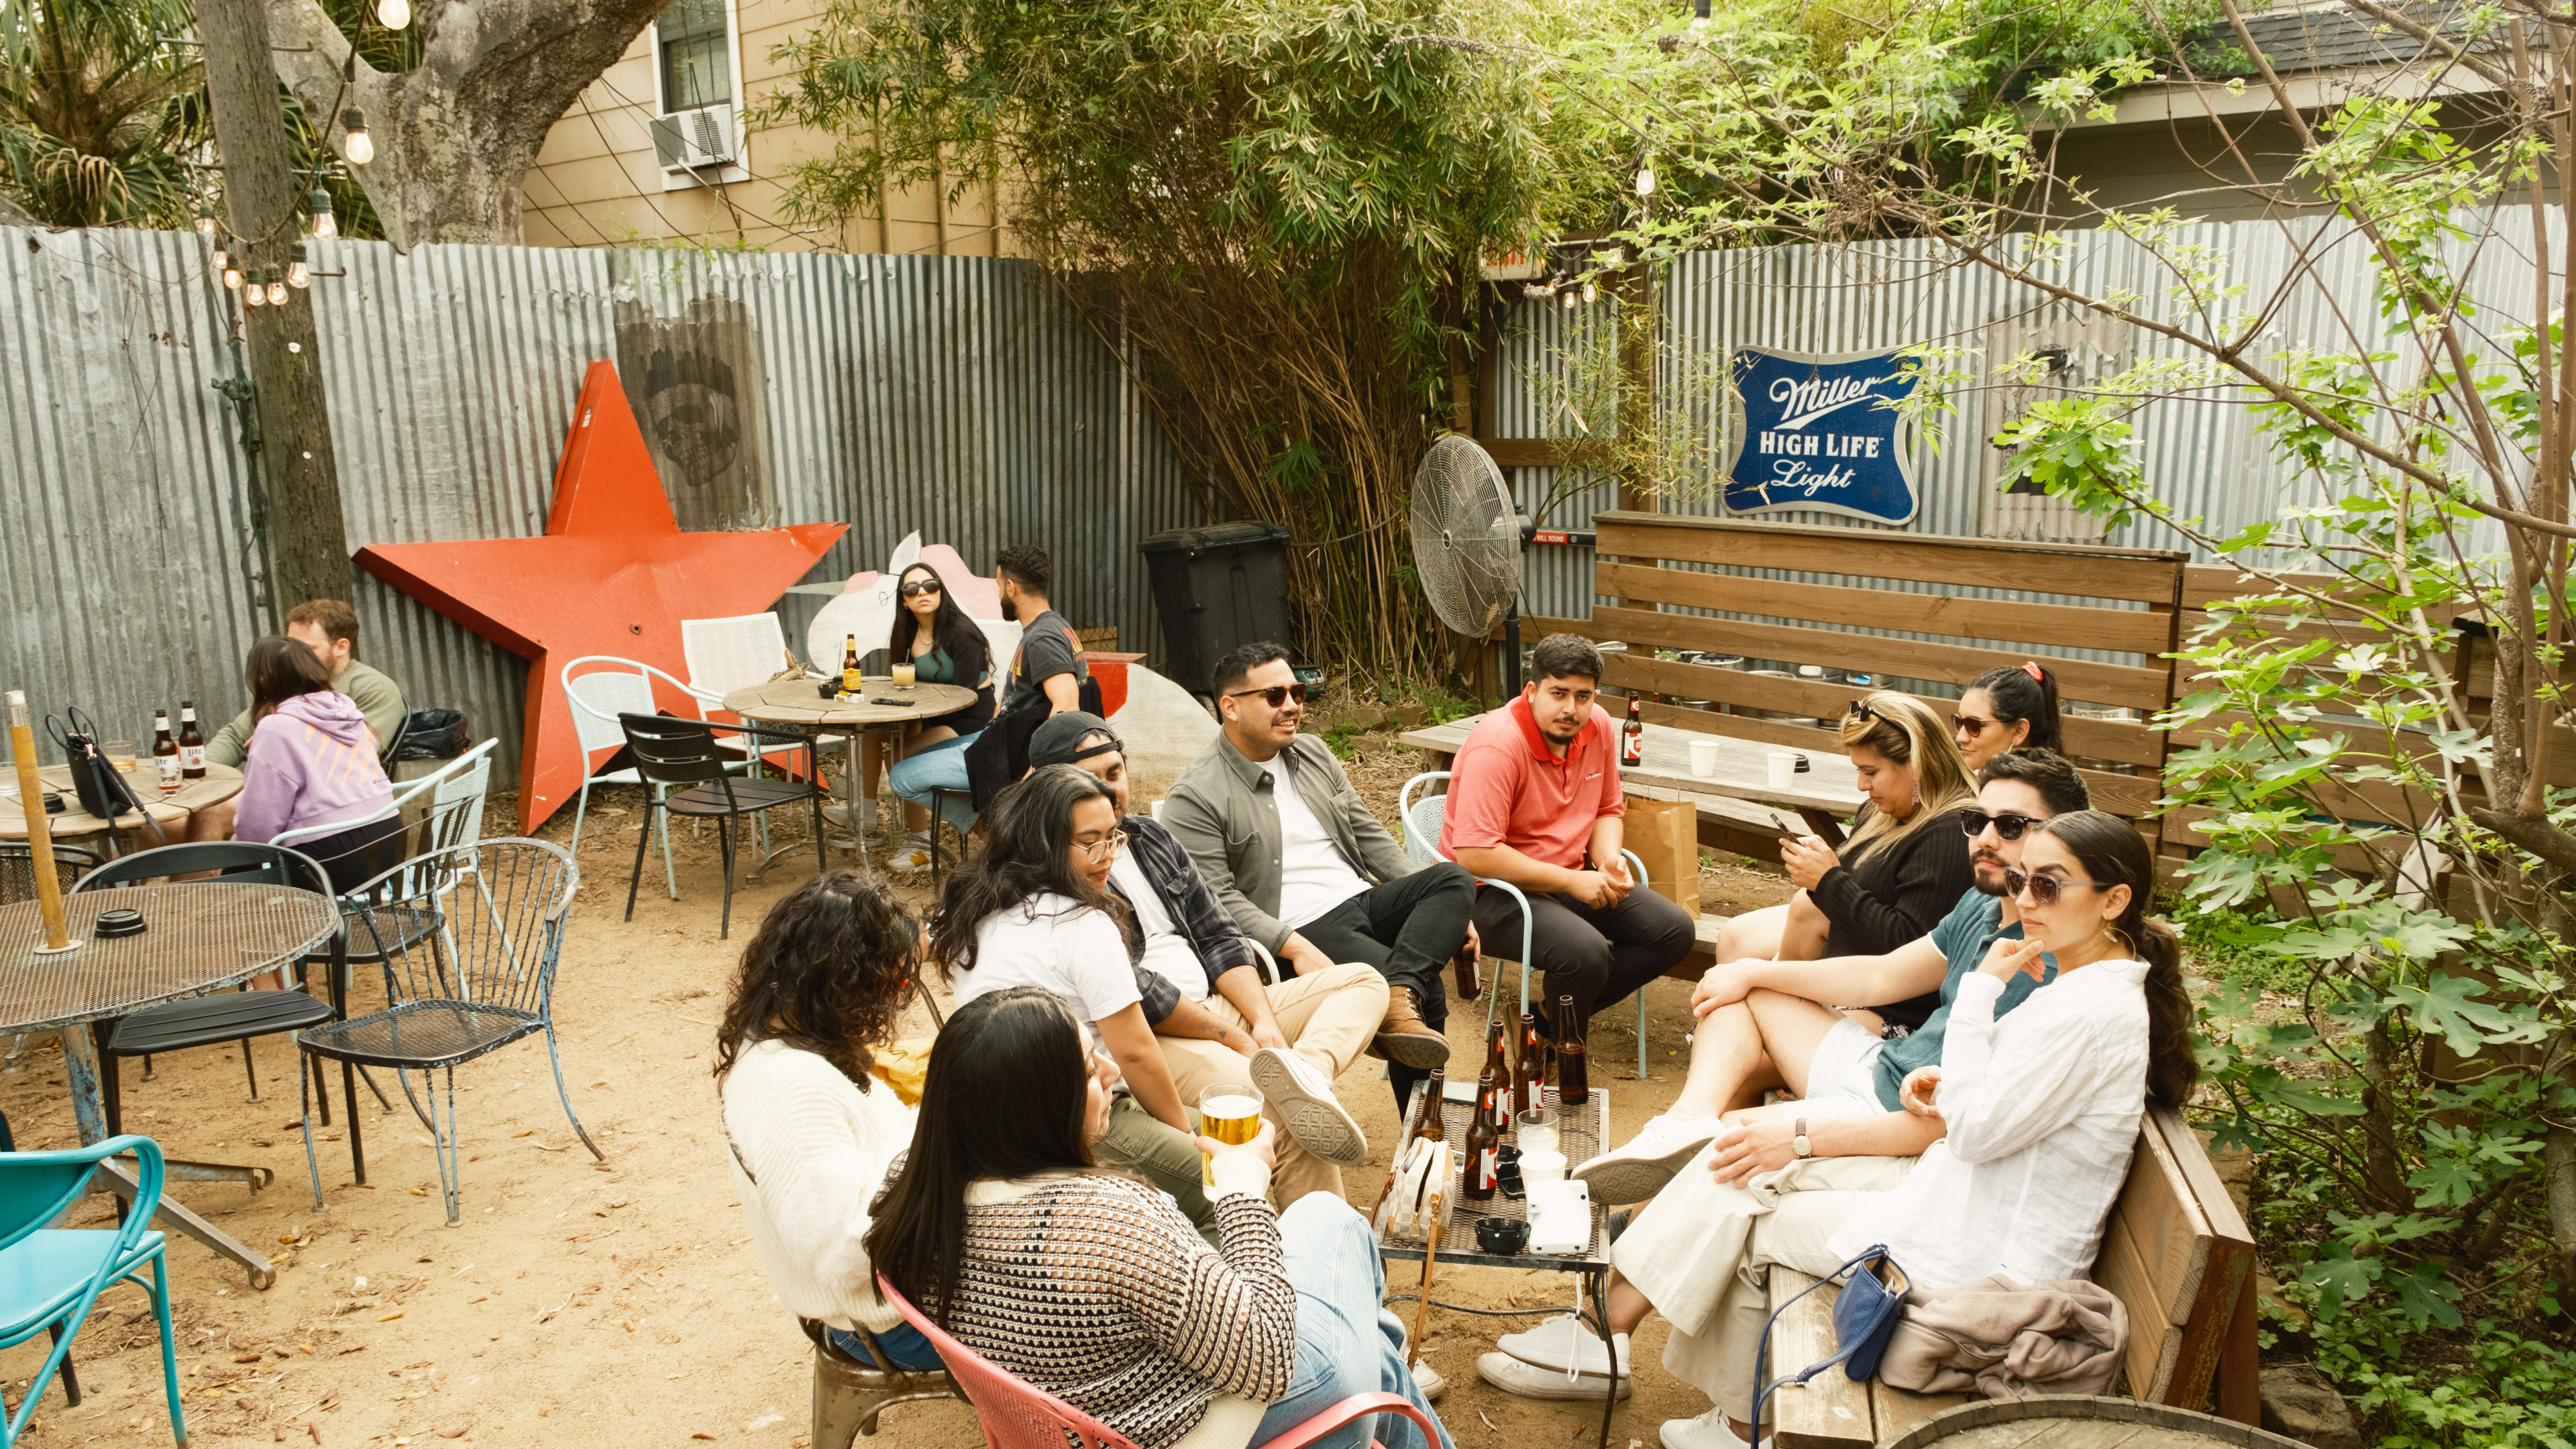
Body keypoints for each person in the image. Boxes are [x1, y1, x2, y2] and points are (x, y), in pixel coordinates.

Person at [1482, 810, 2196, 1449]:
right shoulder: (2084, 984)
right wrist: (1939, 1081)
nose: (2024, 899)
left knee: (1747, 1203)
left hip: (1979, 1265)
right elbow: (2001, 1110)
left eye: (2049, 885)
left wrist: (1980, 994)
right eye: (2022, 880)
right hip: (1955, 1202)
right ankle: (1702, 1401)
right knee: (1740, 1163)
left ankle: (1662, 1378)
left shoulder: (2087, 1008)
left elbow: (1976, 1135)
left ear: (2115, 900)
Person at [865, 987, 1455, 1449]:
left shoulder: (910, 1193)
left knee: (1372, 1346)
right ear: (1044, 1109)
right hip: (1196, 1429)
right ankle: (1376, 1348)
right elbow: (1269, 1357)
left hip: (1081, 1422)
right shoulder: (1110, 1223)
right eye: (1088, 1069)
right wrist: (1244, 1190)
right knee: (1333, 1219)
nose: (1108, 1069)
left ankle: (1374, 1345)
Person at [1565, 749, 2093, 1207]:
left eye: (2012, 826)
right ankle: (1685, 1120)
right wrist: (1751, 971)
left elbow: (1961, 1113)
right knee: (1744, 988)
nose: (1985, 837)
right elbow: (1881, 974)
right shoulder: (1981, 899)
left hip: (1900, 1108)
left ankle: (1633, 1251)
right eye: (1978, 821)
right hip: (1882, 1066)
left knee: (1731, 1142)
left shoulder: (2054, 953)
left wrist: (1800, 1136)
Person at [1032, 710, 1385, 1202]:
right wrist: (1237, 1039)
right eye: (1090, 782)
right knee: (1278, 1112)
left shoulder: (1151, 838)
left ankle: (1308, 1072)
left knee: (1365, 982)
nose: (1109, 793)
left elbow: (1218, 933)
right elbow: (1139, 991)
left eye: (1115, 774)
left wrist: (1261, 1022)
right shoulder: (1065, 862)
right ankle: (1317, 1255)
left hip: (1220, 1001)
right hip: (1156, 1029)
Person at [1165, 642, 1472, 1116]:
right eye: (1274, 695)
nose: (1292, 706)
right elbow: (1216, 899)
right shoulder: (1197, 793)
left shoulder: (1312, 752)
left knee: (1452, 881)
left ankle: (1394, 995)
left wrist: (1436, 907)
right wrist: (1293, 945)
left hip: (1361, 900)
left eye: (1299, 692)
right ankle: (1425, 1133)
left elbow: (1369, 834)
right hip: (1301, 925)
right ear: (1230, 707)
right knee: (1427, 988)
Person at [930, 765, 1232, 1234]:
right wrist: (1185, 1137)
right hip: (1077, 1118)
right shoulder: (1080, 924)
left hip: (995, 1116)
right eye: (1088, 842)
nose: (1106, 855)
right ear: (1043, 843)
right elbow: (1134, 1051)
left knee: (1237, 1140)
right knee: (1229, 1182)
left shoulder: (976, 906)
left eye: (1113, 837)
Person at [716, 871, 943, 1372]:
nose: (896, 997)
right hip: (895, 1323)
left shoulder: (800, 1043)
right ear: (849, 985)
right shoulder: (792, 1090)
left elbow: (878, 1152)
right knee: (1095, 1308)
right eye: (896, 982)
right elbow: (844, 1255)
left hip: (908, 1290)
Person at [1437, 633, 1693, 1050]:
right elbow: (1475, 854)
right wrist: (1571, 881)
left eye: (1583, 696)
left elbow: (1608, 808)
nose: (1571, 709)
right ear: (1533, 691)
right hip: (1489, 892)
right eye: (1559, 694)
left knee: (1672, 931)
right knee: (1585, 953)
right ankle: (1558, 1056)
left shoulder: (1600, 728)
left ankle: (1544, 1025)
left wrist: (1608, 859)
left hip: (1565, 877)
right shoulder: (1498, 745)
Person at [1707, 691, 1978, 1030]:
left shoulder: (1951, 834)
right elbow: (1856, 890)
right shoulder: (1882, 811)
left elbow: (1908, 948)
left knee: (1757, 1004)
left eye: (1870, 771)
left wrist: (1828, 882)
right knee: (1738, 937)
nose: (1862, 785)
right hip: (1855, 958)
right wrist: (1820, 871)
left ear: (1916, 763)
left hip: (1898, 1007)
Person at [192, 599, 406, 843]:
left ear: (341, 646)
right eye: (290, 646)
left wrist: (279, 740)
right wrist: (202, 773)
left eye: (305, 648)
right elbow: (235, 735)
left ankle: (208, 879)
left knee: (210, 812)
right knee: (178, 818)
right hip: (319, 811)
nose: (294, 656)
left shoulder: (374, 689)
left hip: (331, 808)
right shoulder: (295, 689)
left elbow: (357, 750)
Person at [227, 635, 402, 894]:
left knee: (231, 879)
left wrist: (229, 856)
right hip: (390, 843)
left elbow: (258, 827)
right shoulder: (349, 714)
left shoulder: (277, 727)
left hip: (332, 858)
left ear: (262, 680)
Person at [875, 561, 998, 873]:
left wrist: (920, 713)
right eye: (912, 590)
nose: (922, 593)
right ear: (904, 600)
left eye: (930, 586)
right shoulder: (907, 634)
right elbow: (905, 683)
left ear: (941, 591)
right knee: (878, 737)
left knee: (899, 756)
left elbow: (964, 694)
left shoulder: (961, 633)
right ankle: (868, 817)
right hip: (933, 714)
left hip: (969, 718)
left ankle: (922, 842)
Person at [1953, 661, 2065, 771]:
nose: (1960, 738)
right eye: (1959, 722)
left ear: (2019, 731)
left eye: (1973, 725)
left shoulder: (2024, 789)